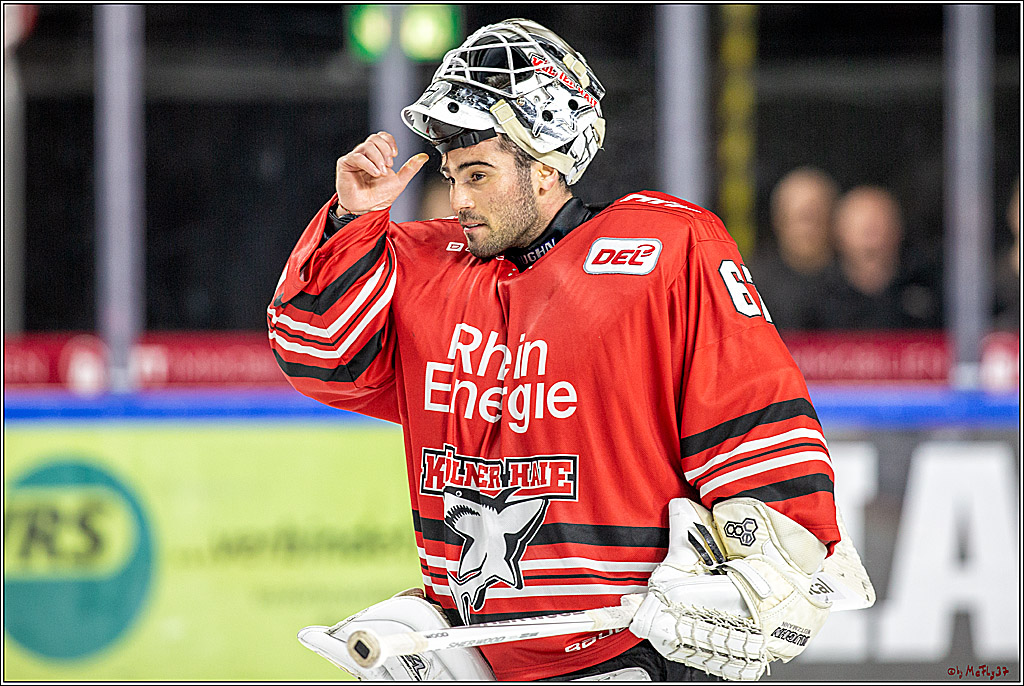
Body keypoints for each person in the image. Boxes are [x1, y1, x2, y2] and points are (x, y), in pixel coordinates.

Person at [269, 18, 839, 682]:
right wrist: (351, 220)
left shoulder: (662, 251)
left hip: (635, 649)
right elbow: (316, 352)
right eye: (452, 176)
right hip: (478, 652)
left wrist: (774, 562)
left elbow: (750, 411)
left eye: (478, 174)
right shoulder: (427, 264)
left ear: (544, 168)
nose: (458, 199)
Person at [815, 185, 940, 329]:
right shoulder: (818, 298)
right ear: (839, 234)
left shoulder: (929, 287)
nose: (872, 240)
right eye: (864, 230)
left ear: (898, 230)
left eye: (878, 226)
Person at [751, 167, 838, 330]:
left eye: (815, 216)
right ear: (779, 220)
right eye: (801, 217)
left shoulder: (854, 282)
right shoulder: (753, 286)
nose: (808, 228)